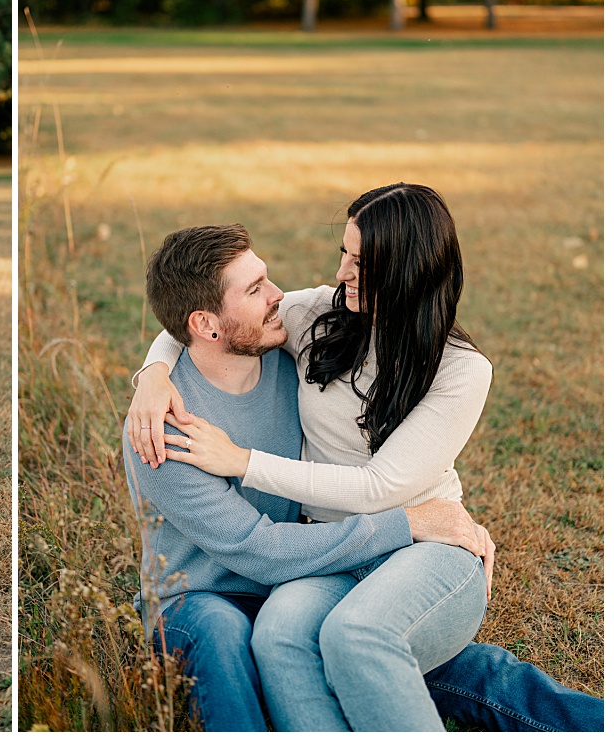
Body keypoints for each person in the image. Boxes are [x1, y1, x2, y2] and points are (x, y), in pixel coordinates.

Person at [123, 218, 602, 731]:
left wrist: (157, 367)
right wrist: (153, 374)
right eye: (258, 288)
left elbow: (197, 323)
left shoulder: (288, 358)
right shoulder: (166, 428)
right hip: (206, 594)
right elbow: (256, 548)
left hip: (303, 575)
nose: (279, 295)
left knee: (420, 662)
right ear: (206, 324)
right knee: (230, 641)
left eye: (266, 279)